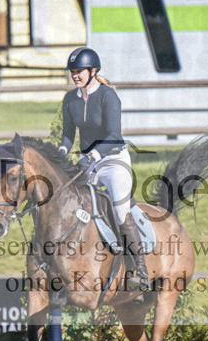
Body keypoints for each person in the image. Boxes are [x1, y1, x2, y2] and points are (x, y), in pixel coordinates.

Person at [58, 46, 148, 291]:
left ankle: (140, 271)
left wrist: (94, 155)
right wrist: (61, 152)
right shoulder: (70, 99)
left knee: (120, 212)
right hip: (88, 162)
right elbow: (68, 135)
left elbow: (114, 135)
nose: (75, 75)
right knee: (75, 206)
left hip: (113, 160)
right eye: (72, 72)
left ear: (93, 71)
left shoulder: (108, 96)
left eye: (79, 71)